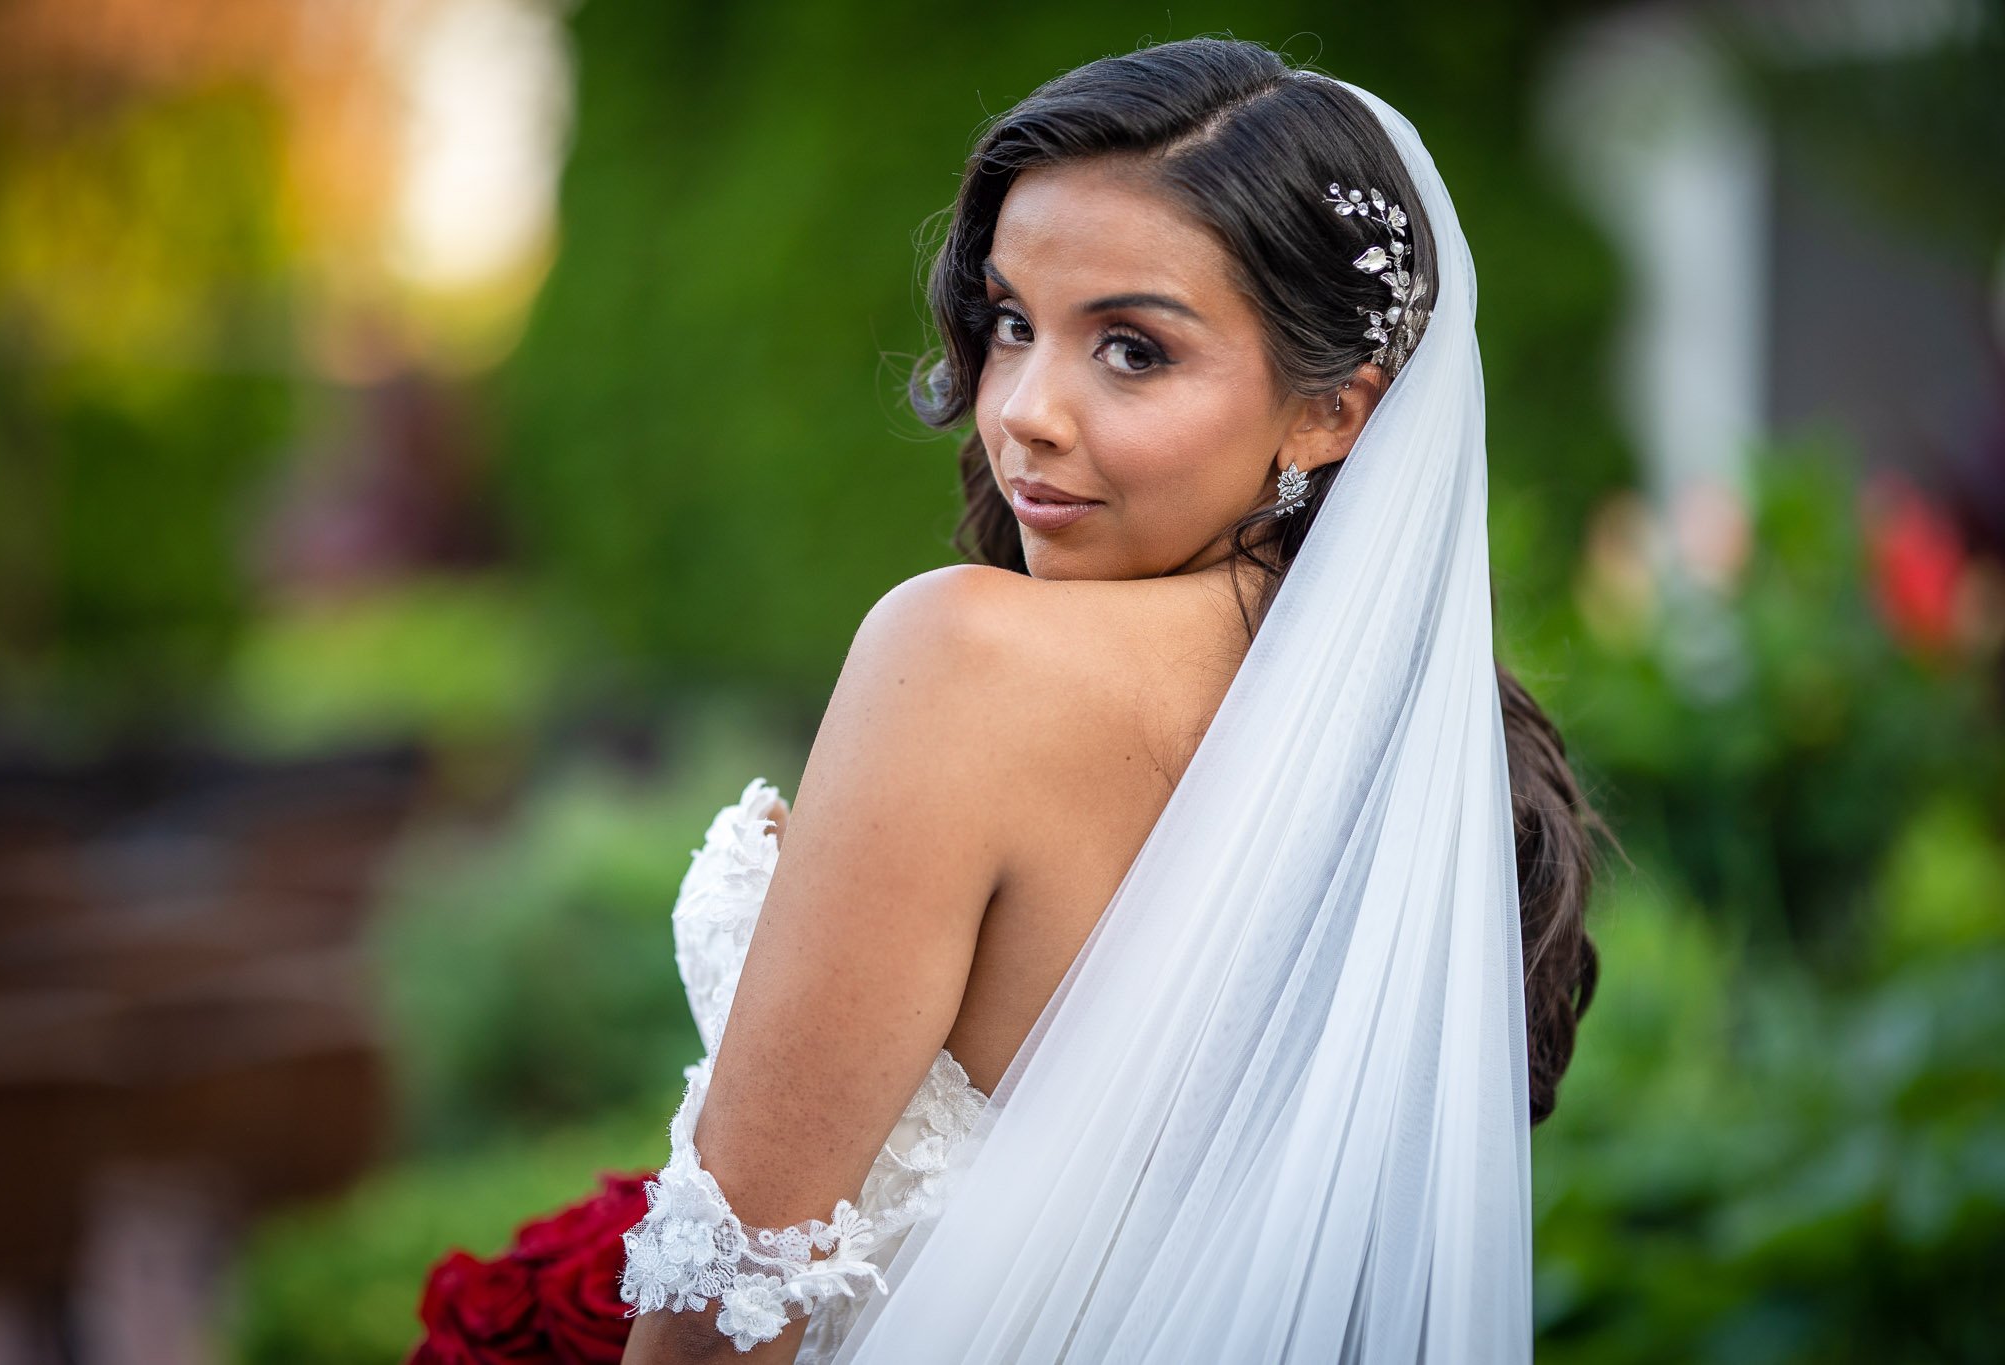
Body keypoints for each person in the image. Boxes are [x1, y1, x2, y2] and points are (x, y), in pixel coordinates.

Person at [617, 36, 1603, 1365]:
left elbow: (725, 1296)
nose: (1023, 409)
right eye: (1013, 321)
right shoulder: (1419, 769)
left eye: (1131, 350)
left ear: (1335, 410)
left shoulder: (963, 658)